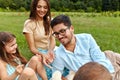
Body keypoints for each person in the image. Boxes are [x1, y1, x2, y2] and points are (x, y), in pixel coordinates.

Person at [50, 14, 115, 80]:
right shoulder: (58, 54)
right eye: (56, 33)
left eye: (62, 31)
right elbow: (56, 74)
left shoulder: (87, 39)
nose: (60, 36)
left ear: (71, 28)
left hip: (104, 72)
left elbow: (100, 60)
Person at [23, 0, 55, 79]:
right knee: (37, 61)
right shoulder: (29, 23)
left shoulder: (49, 20)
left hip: (49, 50)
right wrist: (43, 55)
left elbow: (52, 40)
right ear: (34, 7)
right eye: (39, 7)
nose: (42, 10)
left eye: (45, 7)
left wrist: (49, 52)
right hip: (38, 53)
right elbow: (32, 48)